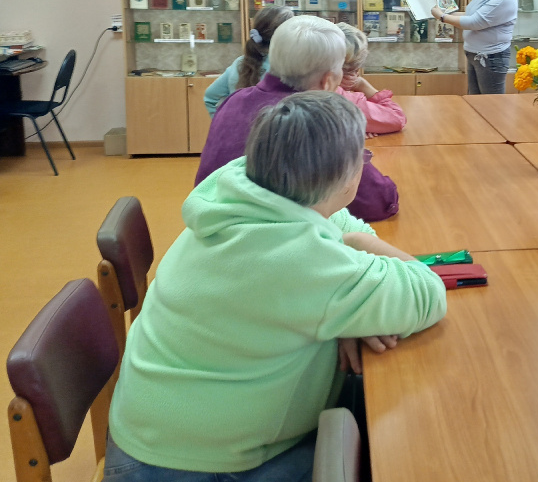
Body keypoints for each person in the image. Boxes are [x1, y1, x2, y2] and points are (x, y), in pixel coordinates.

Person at [106, 92, 447, 480]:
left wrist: (345, 305)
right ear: (343, 175)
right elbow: (427, 291)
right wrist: (354, 278)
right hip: (193, 467)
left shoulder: (240, 191)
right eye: (363, 159)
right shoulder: (300, 259)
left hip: (161, 435)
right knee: (393, 449)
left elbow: (340, 228)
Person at [195, 15, 399, 222]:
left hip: (209, 224)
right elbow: (378, 202)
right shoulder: (316, 118)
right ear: (328, 80)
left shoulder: (234, 100)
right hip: (264, 241)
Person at [431, 0, 517, 94]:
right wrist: (446, 12)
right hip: (474, 54)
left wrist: (442, 17)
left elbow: (474, 23)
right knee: (475, 101)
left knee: (491, 105)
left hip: (491, 57)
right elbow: (470, 13)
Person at [204, 5, 293, 116]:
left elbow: (210, 97)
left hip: (239, 132)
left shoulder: (239, 63)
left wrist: (224, 125)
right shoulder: (289, 67)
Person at [335, 22, 407, 136]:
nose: (357, 74)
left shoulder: (303, 84)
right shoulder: (340, 99)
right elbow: (396, 117)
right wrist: (361, 84)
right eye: (354, 70)